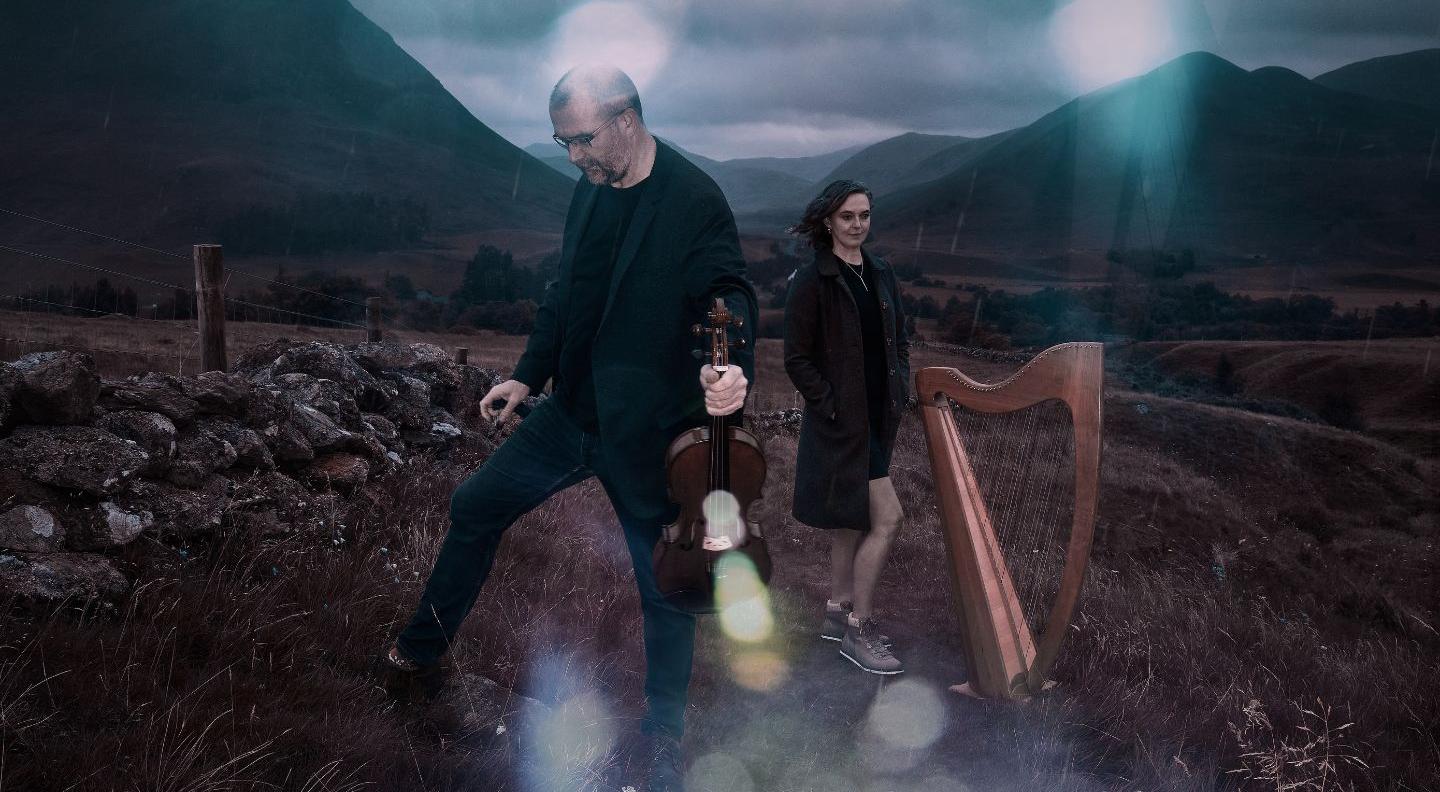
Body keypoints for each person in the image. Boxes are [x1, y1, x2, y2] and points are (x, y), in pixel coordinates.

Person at [383, 65, 756, 791]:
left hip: (648, 431)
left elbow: (729, 293)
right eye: (563, 143)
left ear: (627, 118)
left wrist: (732, 362)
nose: (575, 157)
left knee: (664, 585)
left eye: (583, 139)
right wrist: (528, 372)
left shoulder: (694, 199)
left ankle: (664, 740)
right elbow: (567, 292)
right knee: (473, 507)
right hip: (571, 413)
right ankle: (418, 657)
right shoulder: (590, 192)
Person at [783, 179, 911, 675]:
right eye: (847, 217)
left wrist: (898, 383)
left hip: (879, 416)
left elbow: (899, 336)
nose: (857, 225)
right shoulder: (812, 280)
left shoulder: (880, 272)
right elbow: (796, 358)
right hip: (842, 423)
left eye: (864, 216)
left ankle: (837, 610)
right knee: (888, 518)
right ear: (827, 222)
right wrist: (830, 405)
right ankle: (860, 629)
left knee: (850, 520)